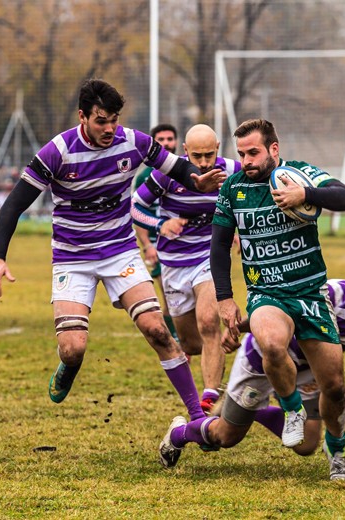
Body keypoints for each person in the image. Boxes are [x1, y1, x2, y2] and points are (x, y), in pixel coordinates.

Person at [0, 79, 222, 423]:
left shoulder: (134, 142)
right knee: (73, 348)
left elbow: (175, 165)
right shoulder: (57, 152)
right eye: (101, 121)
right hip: (72, 257)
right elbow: (13, 205)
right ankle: (68, 366)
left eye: (114, 119)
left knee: (157, 329)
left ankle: (196, 416)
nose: (110, 128)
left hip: (120, 252)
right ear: (82, 117)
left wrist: (194, 179)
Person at [159, 258, 345, 480]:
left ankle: (268, 413)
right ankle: (179, 434)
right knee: (225, 437)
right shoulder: (329, 293)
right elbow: (275, 308)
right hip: (262, 361)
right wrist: (238, 330)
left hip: (306, 370)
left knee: (305, 446)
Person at [206, 118, 345, 479]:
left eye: (254, 152)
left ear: (274, 149)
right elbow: (217, 246)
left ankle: (337, 450)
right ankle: (293, 410)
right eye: (241, 153)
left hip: (310, 293)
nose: (247, 160)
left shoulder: (300, 175)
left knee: (334, 387)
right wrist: (225, 299)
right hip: (266, 293)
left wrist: (305, 195)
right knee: (271, 344)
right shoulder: (233, 189)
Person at [132, 124, 240, 414]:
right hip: (174, 265)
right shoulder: (168, 172)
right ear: (185, 151)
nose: (204, 163)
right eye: (197, 156)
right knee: (192, 343)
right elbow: (135, 206)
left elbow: (256, 193)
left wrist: (241, 228)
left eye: (209, 154)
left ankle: (208, 399)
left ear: (218, 147)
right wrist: (159, 225)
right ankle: (232, 340)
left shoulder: (231, 169)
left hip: (209, 257)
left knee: (208, 322)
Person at [131, 123, 179, 340]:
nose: (167, 143)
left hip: (187, 244)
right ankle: (177, 340)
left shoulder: (185, 171)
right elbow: (137, 213)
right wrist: (147, 245)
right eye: (161, 140)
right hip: (158, 245)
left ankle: (185, 336)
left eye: (170, 139)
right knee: (170, 298)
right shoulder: (144, 178)